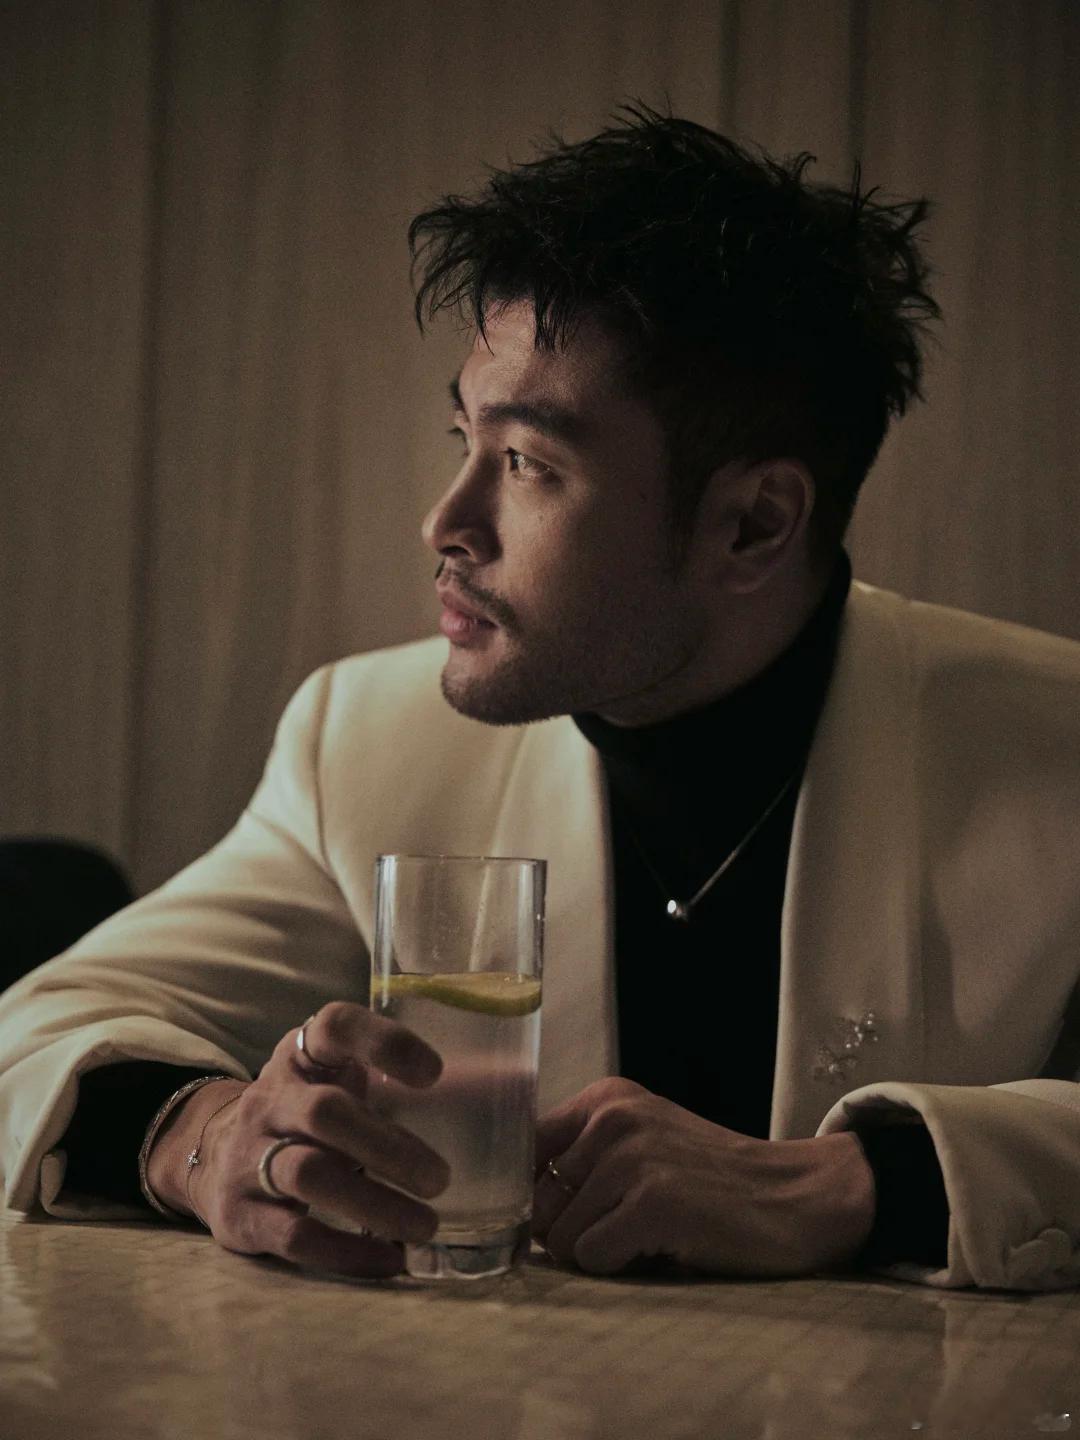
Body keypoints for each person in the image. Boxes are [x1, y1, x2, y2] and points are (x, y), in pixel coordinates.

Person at [3, 104, 1080, 1291]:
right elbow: (34, 1030)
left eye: (525, 462)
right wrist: (201, 1137)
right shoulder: (363, 741)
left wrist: (858, 1184)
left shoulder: (1057, 746)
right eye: (462, 437)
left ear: (753, 523)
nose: (445, 522)